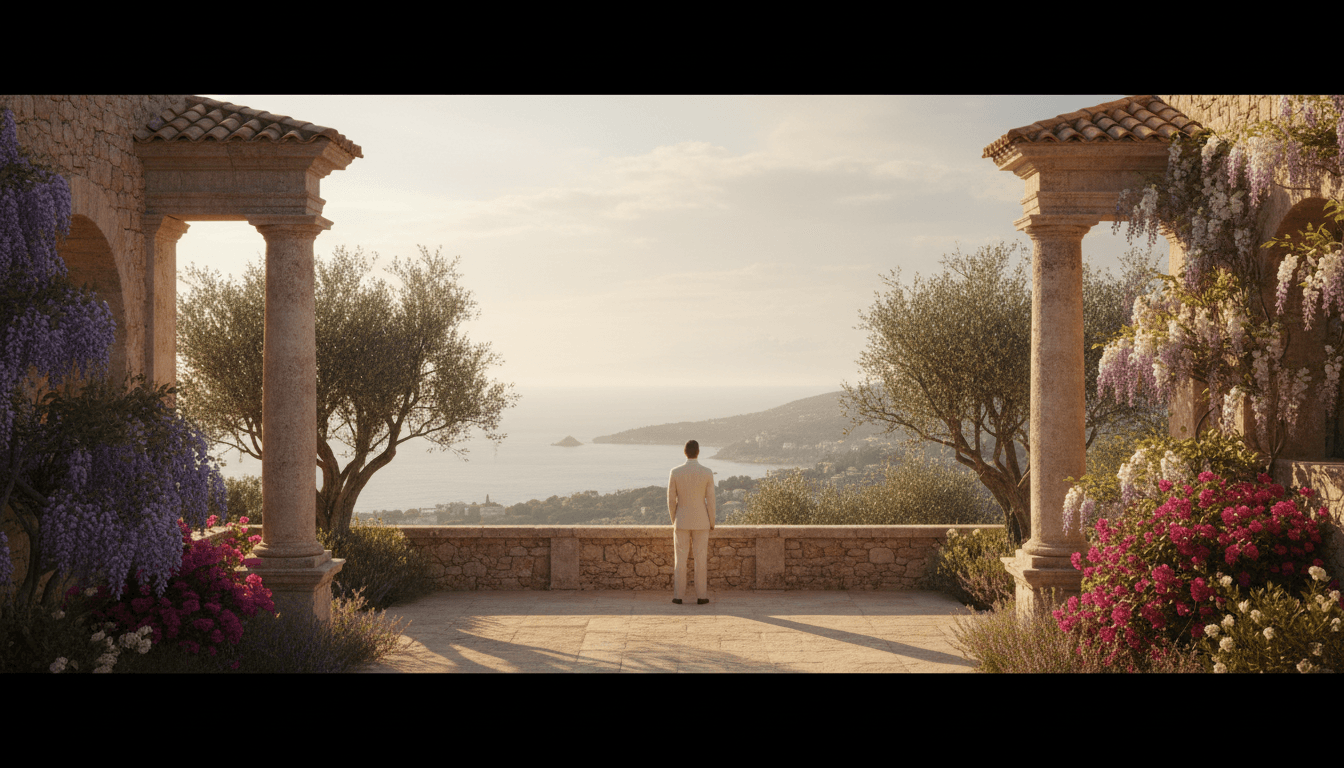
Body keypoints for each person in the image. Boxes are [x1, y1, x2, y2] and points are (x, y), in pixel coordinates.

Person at [668, 439, 715, 605]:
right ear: (698, 452)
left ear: (684, 452)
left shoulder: (675, 472)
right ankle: (701, 596)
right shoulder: (707, 472)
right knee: (700, 560)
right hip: (702, 521)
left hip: (681, 521)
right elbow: (711, 500)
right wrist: (712, 521)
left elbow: (671, 500)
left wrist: (674, 519)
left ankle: (678, 596)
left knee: (679, 560)